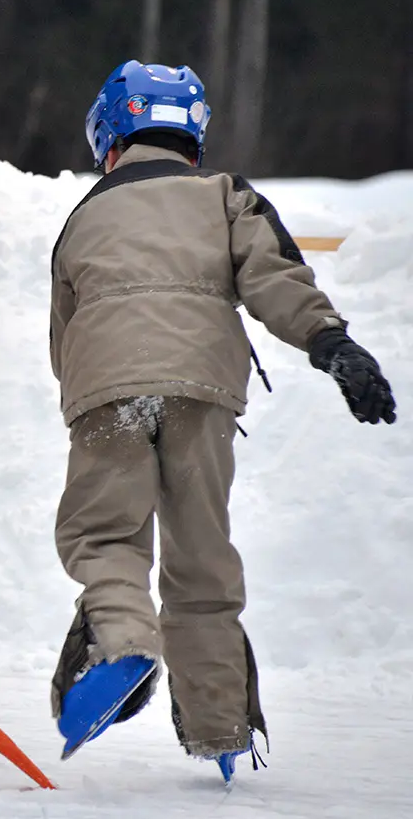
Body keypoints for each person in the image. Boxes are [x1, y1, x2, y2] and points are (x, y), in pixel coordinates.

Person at [47, 61, 396, 782]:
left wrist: (87, 399)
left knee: (106, 531)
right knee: (200, 556)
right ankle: (220, 726)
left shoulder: (85, 215)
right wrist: (330, 342)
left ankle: (121, 639)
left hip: (107, 389)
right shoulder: (224, 196)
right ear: (192, 139)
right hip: (202, 392)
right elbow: (275, 276)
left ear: (109, 139)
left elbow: (64, 333)